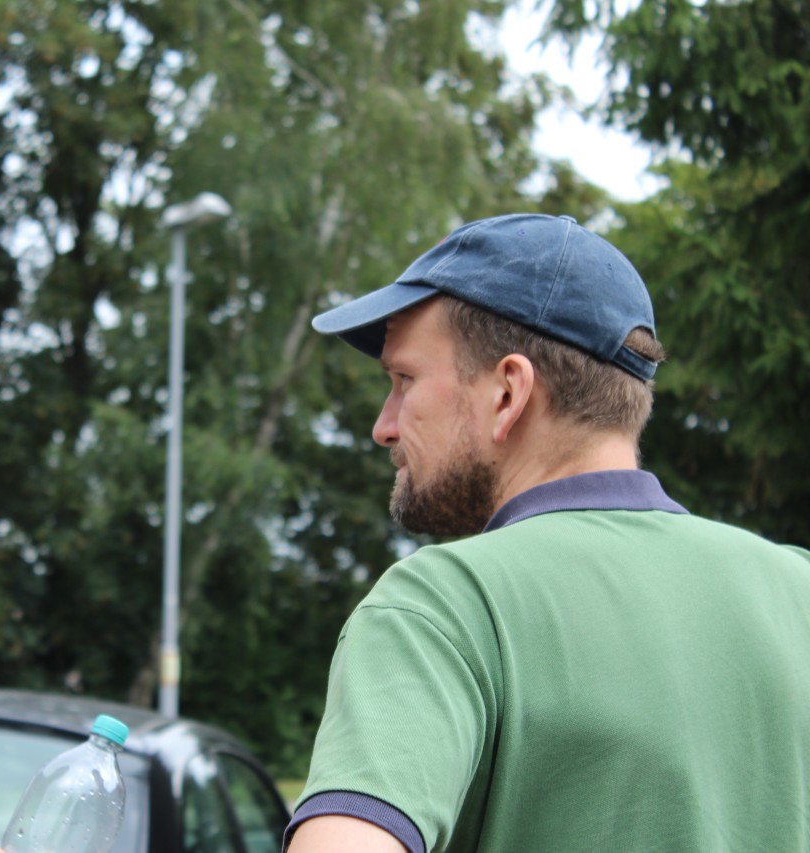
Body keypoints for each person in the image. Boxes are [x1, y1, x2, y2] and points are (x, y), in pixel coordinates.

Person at [285, 214, 810, 852]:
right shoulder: (797, 590)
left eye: (404, 380)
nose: (384, 426)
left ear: (508, 392)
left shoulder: (446, 604)